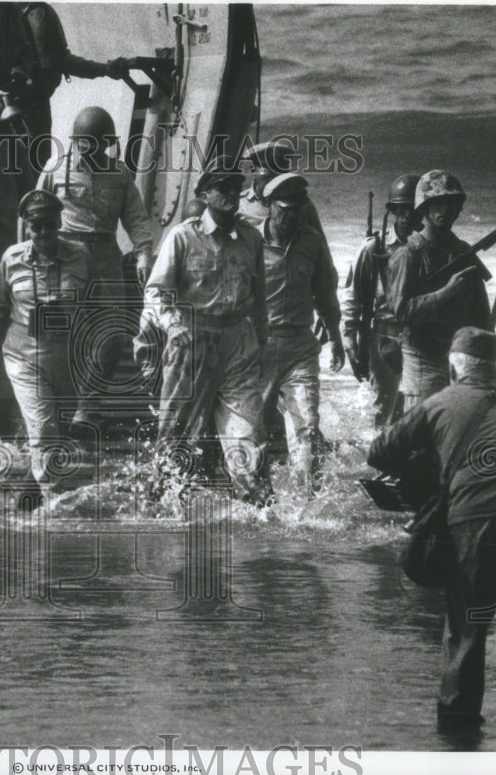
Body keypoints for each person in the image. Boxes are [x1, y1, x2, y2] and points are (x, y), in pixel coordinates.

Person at [367, 327, 496, 732]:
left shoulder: (439, 401)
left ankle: (457, 727)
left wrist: (424, 463)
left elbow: (380, 453)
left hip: (472, 526)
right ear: (494, 367)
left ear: (453, 365)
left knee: (466, 633)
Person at [0, 2, 127, 302]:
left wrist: (19, 74)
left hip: (14, 107)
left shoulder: (17, 12)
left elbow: (32, 58)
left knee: (24, 188)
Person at [136, 156, 270, 503]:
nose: (232, 193)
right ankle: (161, 505)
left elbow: (258, 300)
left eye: (235, 187)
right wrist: (173, 324)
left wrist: (263, 344)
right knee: (176, 437)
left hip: (238, 343)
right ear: (205, 194)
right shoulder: (182, 238)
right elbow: (155, 290)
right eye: (222, 187)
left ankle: (254, 506)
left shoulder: (252, 240)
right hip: (193, 341)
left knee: (248, 434)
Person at [37, 106, 158, 426]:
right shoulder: (54, 170)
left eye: (99, 146)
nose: (91, 153)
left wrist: (144, 252)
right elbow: (33, 217)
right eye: (84, 146)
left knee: (115, 337)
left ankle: (87, 404)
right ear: (76, 143)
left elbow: (137, 219)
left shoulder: (119, 176)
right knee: (61, 334)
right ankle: (55, 408)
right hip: (65, 253)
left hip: (106, 256)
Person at [0, 190, 98, 505]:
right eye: (37, 227)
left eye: (50, 224)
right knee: (44, 428)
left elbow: (94, 307)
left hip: (66, 357)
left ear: (60, 221)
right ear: (27, 227)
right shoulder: (12, 258)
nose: (44, 233)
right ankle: (51, 503)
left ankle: (29, 494)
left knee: (55, 431)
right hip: (23, 355)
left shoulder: (81, 256)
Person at [255, 172, 344, 490]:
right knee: (254, 429)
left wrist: (336, 337)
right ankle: (259, 495)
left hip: (301, 348)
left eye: (297, 208)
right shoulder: (250, 242)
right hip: (259, 348)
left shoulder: (311, 242)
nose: (291, 215)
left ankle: (304, 501)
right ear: (268, 206)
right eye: (284, 208)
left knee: (306, 425)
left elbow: (325, 293)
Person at [386, 170, 491, 412]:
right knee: (423, 438)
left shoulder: (463, 253)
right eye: (438, 203)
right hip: (423, 359)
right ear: (424, 207)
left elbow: (482, 315)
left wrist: (484, 360)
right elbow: (401, 311)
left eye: (451, 204)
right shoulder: (408, 255)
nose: (445, 210)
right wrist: (446, 293)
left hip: (459, 360)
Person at [341, 174, 420, 427]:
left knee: (417, 411)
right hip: (384, 338)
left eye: (413, 209)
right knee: (384, 412)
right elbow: (352, 294)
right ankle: (380, 462)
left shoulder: (429, 246)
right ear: (393, 211)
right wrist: (350, 341)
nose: (407, 216)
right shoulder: (375, 248)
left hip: (420, 339)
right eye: (401, 210)